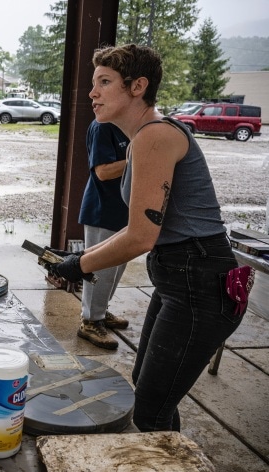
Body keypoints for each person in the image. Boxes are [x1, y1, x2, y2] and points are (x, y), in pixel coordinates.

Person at [48, 44, 244, 432]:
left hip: (200, 284)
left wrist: (79, 265)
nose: (93, 93)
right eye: (93, 83)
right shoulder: (144, 137)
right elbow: (134, 229)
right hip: (180, 280)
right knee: (150, 390)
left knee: (150, 410)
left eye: (104, 82)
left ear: (138, 86)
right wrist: (80, 258)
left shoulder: (154, 136)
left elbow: (141, 238)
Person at [75, 120, 130, 350]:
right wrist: (139, 158)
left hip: (124, 210)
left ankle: (100, 311)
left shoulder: (129, 125)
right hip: (102, 210)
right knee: (101, 270)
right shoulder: (103, 126)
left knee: (116, 270)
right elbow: (103, 171)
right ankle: (90, 321)